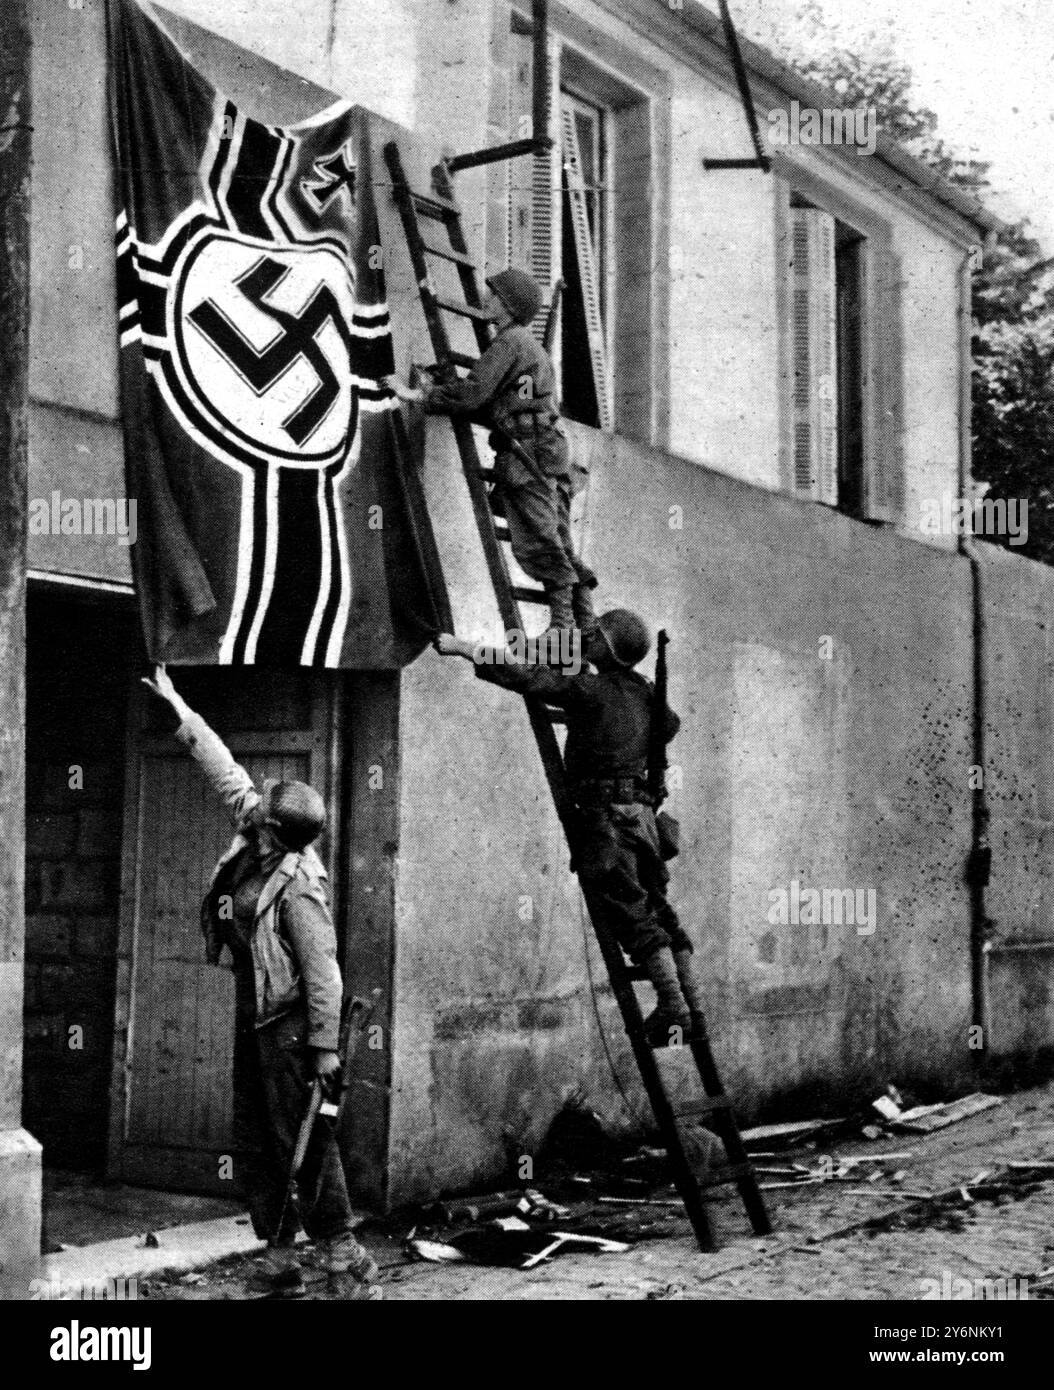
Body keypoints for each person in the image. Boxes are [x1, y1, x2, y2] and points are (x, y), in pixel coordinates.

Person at [141, 665, 381, 1300]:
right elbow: (227, 775)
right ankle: (278, 1252)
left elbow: (323, 972)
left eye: (262, 809)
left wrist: (325, 1047)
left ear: (275, 831)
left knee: (303, 1136)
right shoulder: (260, 836)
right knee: (254, 1134)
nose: (252, 805)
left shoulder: (299, 887)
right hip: (257, 1007)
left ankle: (340, 1249)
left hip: (295, 1024)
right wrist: (181, 711)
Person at [434, 611, 707, 1045]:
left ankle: (673, 1006)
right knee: (660, 909)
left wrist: (465, 648)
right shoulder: (645, 693)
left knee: (631, 913)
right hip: (644, 818)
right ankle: (693, 1008)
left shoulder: (591, 690)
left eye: (595, 636)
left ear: (609, 649)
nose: (588, 640)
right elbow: (668, 726)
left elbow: (527, 676)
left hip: (606, 819)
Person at [385, 267, 596, 647]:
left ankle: (564, 627)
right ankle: (586, 624)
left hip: (531, 454)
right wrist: (441, 393)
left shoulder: (509, 344)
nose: (488, 300)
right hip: (547, 452)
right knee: (557, 537)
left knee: (539, 538)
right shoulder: (524, 347)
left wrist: (417, 395)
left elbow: (473, 395)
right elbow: (493, 406)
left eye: (495, 295)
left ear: (509, 306)